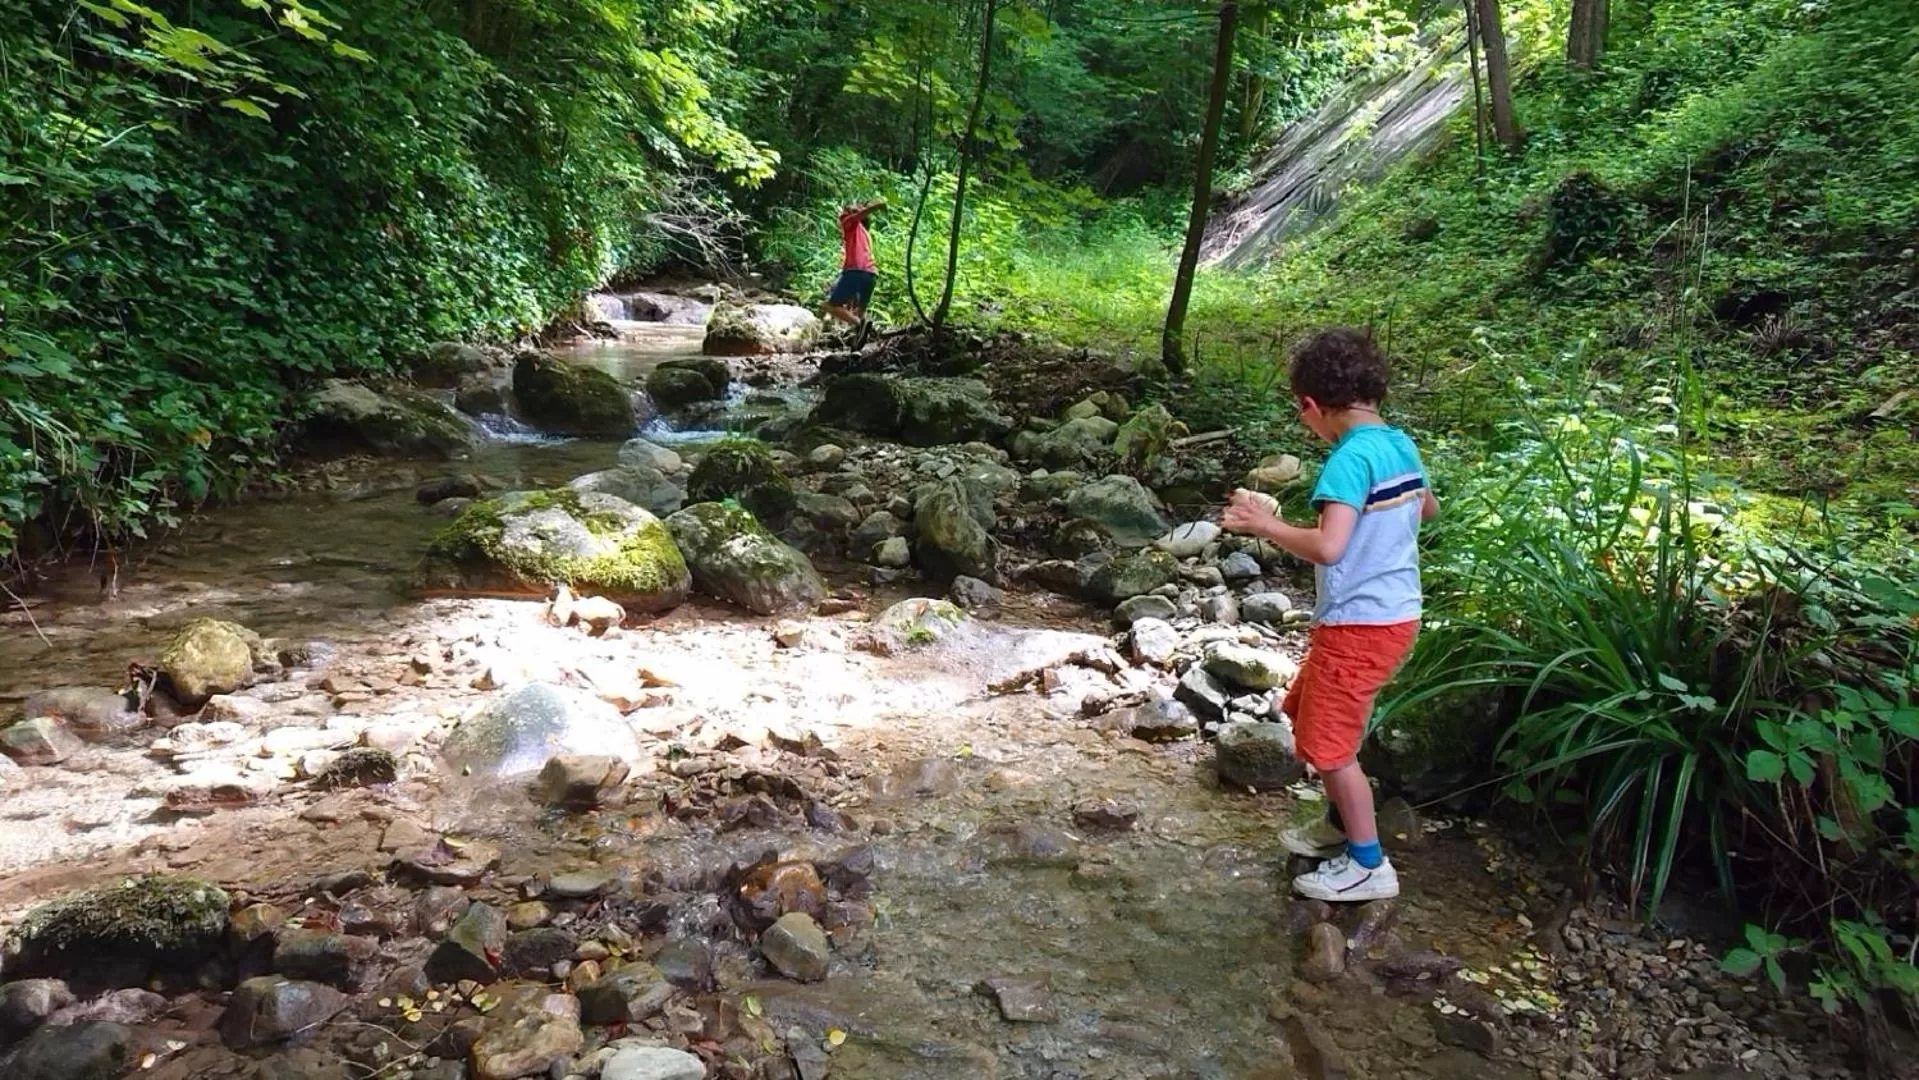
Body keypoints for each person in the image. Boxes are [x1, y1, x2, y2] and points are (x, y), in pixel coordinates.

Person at [1221, 327, 1438, 902]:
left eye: (1302, 413)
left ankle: (1369, 864)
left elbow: (1328, 547)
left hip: (1360, 624)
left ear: (1312, 405)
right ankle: (1342, 826)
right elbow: (1427, 507)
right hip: (1393, 616)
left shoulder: (1347, 461)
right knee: (1306, 710)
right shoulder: (1399, 445)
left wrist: (1262, 524)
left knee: (1330, 748)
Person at [824, 199, 886, 326]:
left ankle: (859, 324)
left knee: (830, 306)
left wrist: (876, 206)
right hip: (871, 274)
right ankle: (862, 335)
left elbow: (857, 216)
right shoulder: (866, 234)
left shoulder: (848, 222)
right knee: (860, 311)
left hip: (856, 271)